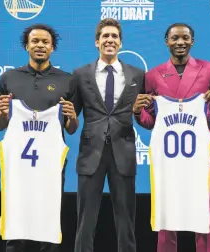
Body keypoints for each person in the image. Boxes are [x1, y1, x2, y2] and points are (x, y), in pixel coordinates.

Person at [133, 23, 210, 252]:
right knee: (167, 221)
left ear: (192, 41)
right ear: (167, 41)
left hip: (201, 160)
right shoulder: (152, 75)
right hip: (168, 160)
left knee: (205, 219)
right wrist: (137, 112)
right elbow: (151, 122)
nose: (180, 42)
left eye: (185, 38)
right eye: (175, 38)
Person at [0, 23, 79, 252]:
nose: (40, 45)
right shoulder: (9, 78)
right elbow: (0, 124)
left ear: (52, 48)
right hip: (18, 164)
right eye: (35, 41)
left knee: (49, 215)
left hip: (50, 164)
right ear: (27, 45)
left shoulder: (67, 81)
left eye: (45, 42)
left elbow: (71, 128)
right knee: (16, 212)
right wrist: (2, 113)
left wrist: (72, 117)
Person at [70, 18, 145, 252]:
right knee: (85, 221)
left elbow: (146, 119)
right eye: (105, 36)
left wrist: (140, 113)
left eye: (114, 36)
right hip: (90, 155)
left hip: (124, 154)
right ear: (97, 42)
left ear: (121, 43)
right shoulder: (80, 74)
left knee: (126, 223)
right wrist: (68, 118)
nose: (110, 40)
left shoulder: (138, 75)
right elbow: (71, 123)